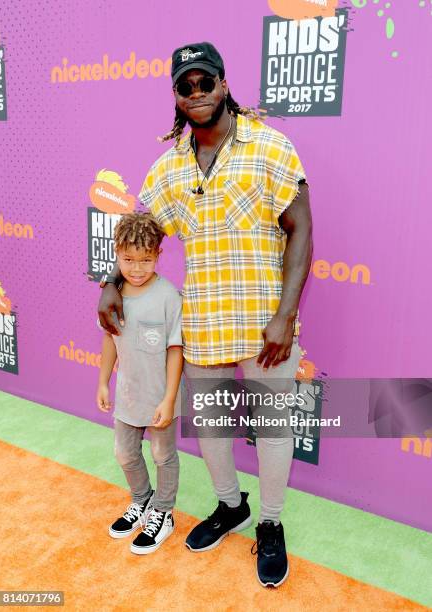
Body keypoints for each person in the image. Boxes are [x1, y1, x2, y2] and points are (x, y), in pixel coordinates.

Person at [98, 42, 313, 587]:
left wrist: (286, 315)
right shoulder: (170, 166)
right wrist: (110, 280)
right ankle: (229, 505)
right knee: (214, 428)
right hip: (206, 324)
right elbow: (139, 234)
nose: (196, 94)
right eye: (185, 86)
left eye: (205, 82)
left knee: (272, 426)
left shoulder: (270, 145)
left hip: (267, 325)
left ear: (223, 83)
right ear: (175, 94)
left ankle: (268, 522)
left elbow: (302, 229)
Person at [96, 212, 183, 555]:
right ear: (116, 255)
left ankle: (163, 511)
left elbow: (176, 350)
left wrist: (170, 398)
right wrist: (103, 381)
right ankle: (142, 499)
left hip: (161, 396)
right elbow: (109, 340)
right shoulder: (114, 294)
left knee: (163, 455)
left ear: (159, 255)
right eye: (128, 260)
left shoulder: (168, 296)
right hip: (128, 395)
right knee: (125, 453)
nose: (136, 268)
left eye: (145, 260)